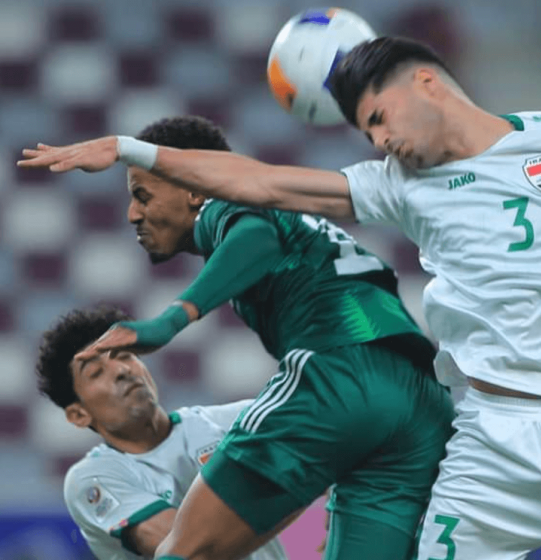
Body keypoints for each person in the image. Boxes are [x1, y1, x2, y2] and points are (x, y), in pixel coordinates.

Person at [18, 37, 541, 560]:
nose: (380, 142)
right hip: (487, 431)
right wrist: (131, 149)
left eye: (380, 118)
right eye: (367, 134)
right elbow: (263, 183)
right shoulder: (399, 186)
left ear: (429, 83)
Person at [25, 115, 455, 560]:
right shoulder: (292, 216)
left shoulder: (224, 205)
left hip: (342, 370)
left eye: (141, 194)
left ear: (192, 188)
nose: (133, 213)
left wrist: (170, 321)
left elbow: (257, 235)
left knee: (184, 554)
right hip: (420, 399)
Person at [36, 305, 288, 560]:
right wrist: (297, 488)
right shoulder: (91, 479)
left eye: (124, 356)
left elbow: (325, 433)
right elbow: (192, 550)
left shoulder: (233, 422)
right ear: (79, 414)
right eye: (96, 373)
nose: (122, 371)